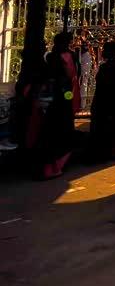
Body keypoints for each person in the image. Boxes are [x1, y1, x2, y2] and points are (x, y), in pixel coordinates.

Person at [31, 33, 77, 179]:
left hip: (54, 99)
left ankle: (49, 167)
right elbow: (72, 76)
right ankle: (55, 167)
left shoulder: (50, 57)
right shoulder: (66, 57)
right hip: (63, 97)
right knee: (61, 132)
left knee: (51, 132)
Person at [89, 41, 115, 162]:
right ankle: (113, 151)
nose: (102, 52)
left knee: (110, 128)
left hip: (109, 103)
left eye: (105, 50)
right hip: (114, 102)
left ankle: (109, 152)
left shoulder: (112, 67)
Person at [79, 41, 94, 111]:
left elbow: (86, 66)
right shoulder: (80, 54)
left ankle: (83, 105)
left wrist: (83, 74)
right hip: (80, 75)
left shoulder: (87, 55)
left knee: (83, 88)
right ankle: (81, 105)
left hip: (83, 75)